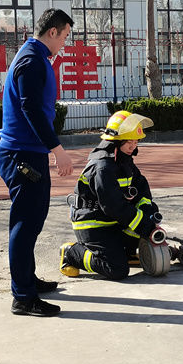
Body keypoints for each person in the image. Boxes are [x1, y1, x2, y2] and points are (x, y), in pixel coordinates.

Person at [0, 8, 75, 317]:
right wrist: (57, 149)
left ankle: (27, 281)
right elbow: (30, 109)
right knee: (25, 224)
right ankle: (23, 298)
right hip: (22, 155)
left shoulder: (33, 56)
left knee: (32, 220)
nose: (65, 44)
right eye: (65, 36)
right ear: (52, 32)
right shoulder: (31, 61)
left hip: (27, 152)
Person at [60, 111, 162, 280]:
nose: (133, 146)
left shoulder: (123, 160)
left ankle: (126, 253)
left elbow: (141, 187)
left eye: (136, 141)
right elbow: (114, 206)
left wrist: (148, 213)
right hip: (93, 224)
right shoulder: (102, 167)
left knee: (147, 218)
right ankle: (72, 254)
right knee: (116, 269)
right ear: (116, 141)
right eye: (129, 142)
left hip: (111, 221)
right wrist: (146, 227)